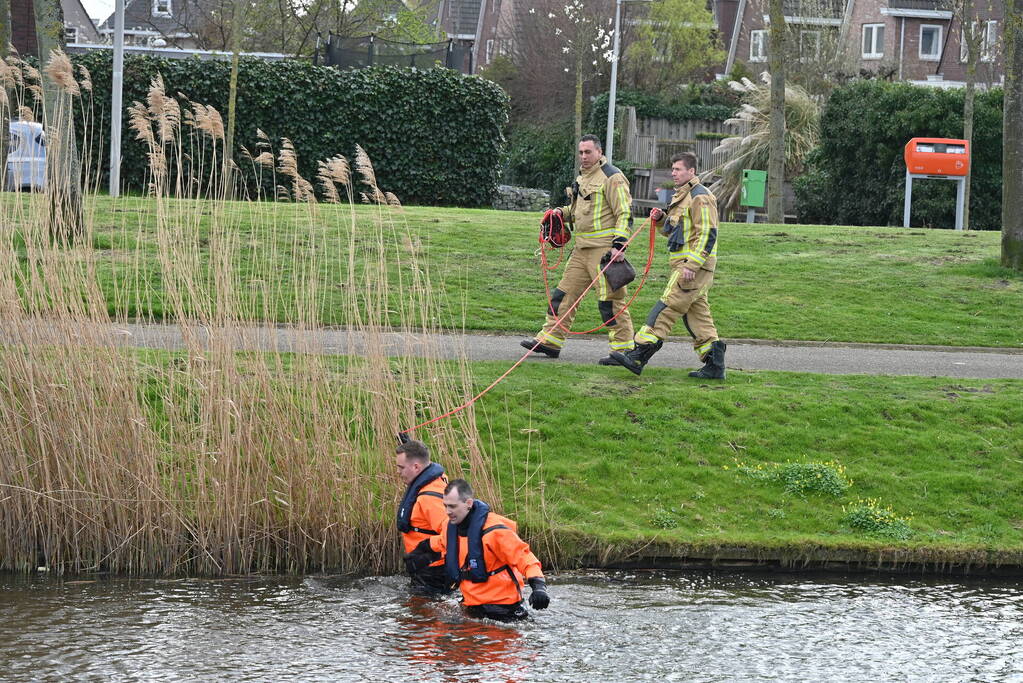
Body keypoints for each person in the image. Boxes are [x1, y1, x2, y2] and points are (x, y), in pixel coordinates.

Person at [520, 134, 636, 365]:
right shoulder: (582, 178)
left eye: (588, 152)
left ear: (600, 152)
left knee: (610, 300)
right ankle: (550, 340)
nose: (583, 156)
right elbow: (577, 212)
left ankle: (624, 350)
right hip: (581, 249)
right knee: (563, 295)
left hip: (603, 251)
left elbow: (625, 213)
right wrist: (560, 214)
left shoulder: (612, 177)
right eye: (581, 152)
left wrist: (619, 245)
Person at [609, 152, 726, 378]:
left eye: (678, 169)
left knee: (667, 306)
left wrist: (692, 265)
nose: (673, 173)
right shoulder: (683, 196)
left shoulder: (700, 196)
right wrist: (661, 220)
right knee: (697, 315)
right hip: (686, 266)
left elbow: (707, 235)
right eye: (672, 169)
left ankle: (638, 354)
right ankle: (714, 364)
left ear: (691, 171)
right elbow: (674, 233)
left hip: (691, 267)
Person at [405, 479, 550, 622]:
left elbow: (525, 559)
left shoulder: (495, 532)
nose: (447, 512)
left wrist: (539, 588)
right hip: (471, 607)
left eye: (453, 506)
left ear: (468, 504)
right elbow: (439, 543)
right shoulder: (452, 529)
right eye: (445, 506)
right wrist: (417, 555)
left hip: (503, 610)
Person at [395, 439, 453, 595]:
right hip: (426, 569)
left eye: (401, 467)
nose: (398, 472)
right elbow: (423, 460)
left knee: (423, 617)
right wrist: (410, 445)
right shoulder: (436, 477)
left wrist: (425, 554)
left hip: (432, 571)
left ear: (416, 467)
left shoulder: (429, 499)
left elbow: (452, 534)